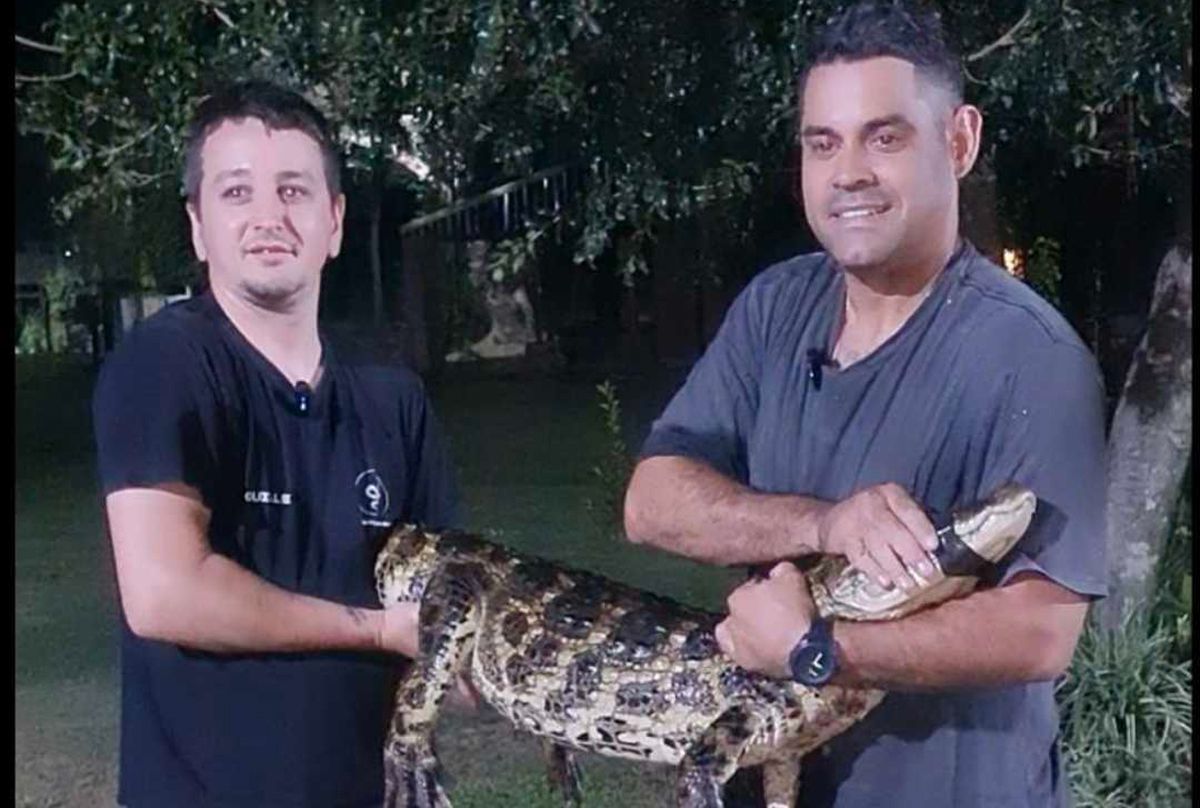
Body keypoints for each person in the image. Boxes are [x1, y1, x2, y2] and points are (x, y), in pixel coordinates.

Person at [623, 2, 1106, 807]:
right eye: (823, 143)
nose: (848, 172)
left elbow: (1040, 631)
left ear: (959, 142)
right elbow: (652, 503)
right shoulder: (776, 307)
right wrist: (825, 525)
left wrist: (817, 649)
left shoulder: (1030, 357)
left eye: (884, 138)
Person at [93, 80, 460, 807]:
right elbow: (166, 594)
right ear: (198, 226)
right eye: (236, 192)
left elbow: (446, 609)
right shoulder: (165, 365)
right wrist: (378, 631)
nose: (268, 217)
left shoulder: (392, 397)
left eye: (293, 190)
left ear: (334, 221)